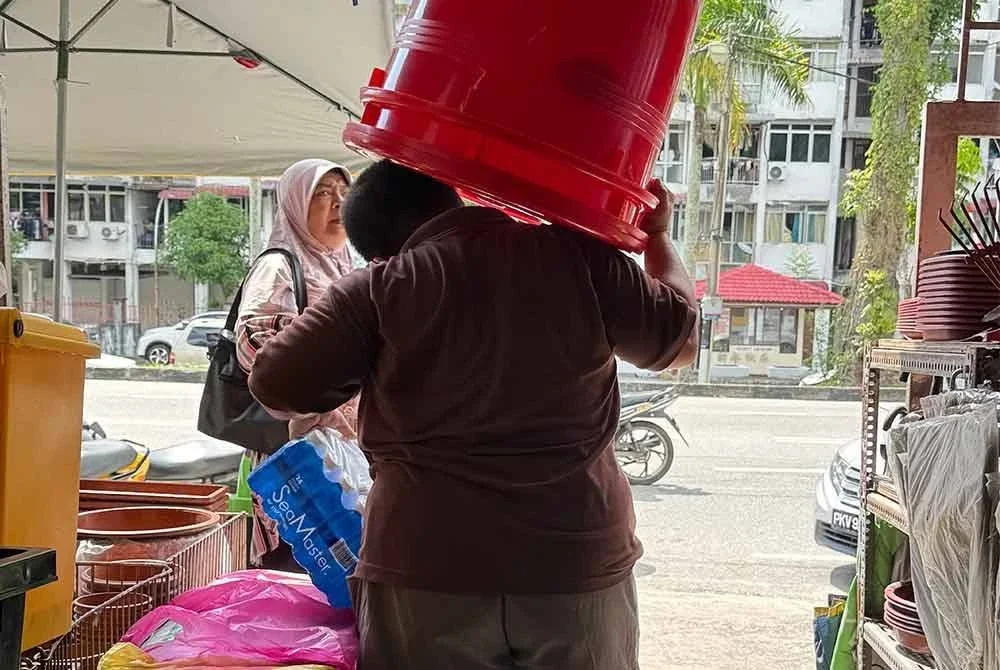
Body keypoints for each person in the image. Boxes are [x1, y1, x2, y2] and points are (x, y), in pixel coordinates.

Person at [248, 160, 699, 669]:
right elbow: (681, 341)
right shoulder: (580, 257)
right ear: (453, 197)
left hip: (423, 569)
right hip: (575, 564)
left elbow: (274, 386)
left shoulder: (378, 288)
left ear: (379, 252)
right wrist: (658, 237)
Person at [235, 158, 357, 570]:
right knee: (303, 559)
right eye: (322, 193)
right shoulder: (279, 266)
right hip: (299, 448)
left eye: (343, 193)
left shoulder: (343, 263)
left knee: (340, 559)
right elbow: (255, 347)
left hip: (341, 447)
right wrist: (316, 402)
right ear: (295, 204)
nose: (338, 203)